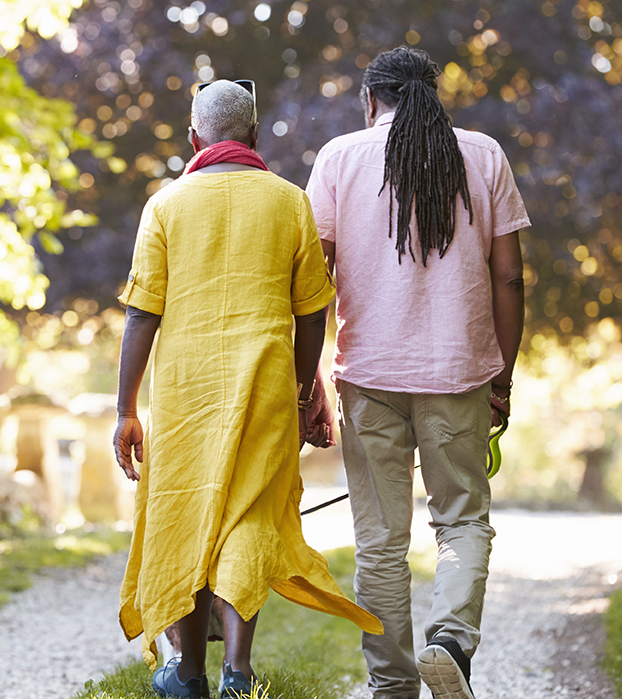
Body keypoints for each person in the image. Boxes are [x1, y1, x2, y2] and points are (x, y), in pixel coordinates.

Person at [113, 79, 382, 699]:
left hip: (185, 393)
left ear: (193, 137)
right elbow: (312, 309)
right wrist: (300, 387)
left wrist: (126, 408)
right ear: (255, 135)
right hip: (265, 384)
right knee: (250, 516)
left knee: (184, 512)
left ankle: (187, 674)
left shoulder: (166, 205)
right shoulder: (290, 202)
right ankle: (237, 669)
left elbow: (141, 314)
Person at [304, 47, 530, 699]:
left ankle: (393, 684)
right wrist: (502, 374)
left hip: (367, 375)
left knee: (378, 538)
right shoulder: (483, 155)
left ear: (370, 100)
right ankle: (451, 640)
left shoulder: (339, 159)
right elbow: (509, 275)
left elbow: (311, 286)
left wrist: (310, 380)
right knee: (461, 519)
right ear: (434, 96)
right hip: (459, 374)